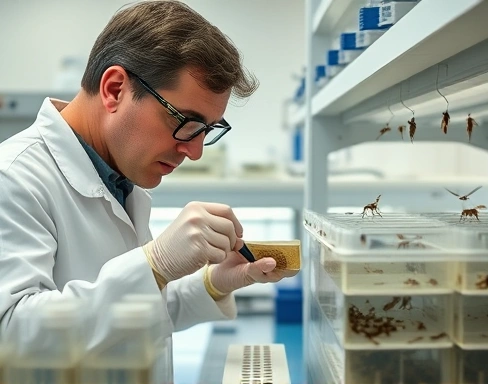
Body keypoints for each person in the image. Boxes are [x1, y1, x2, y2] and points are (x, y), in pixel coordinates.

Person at [0, 0, 291, 379]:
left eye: (208, 130)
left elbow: (128, 318)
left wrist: (212, 283)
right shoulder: (14, 177)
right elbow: (12, 338)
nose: (196, 151)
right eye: (187, 121)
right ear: (115, 89)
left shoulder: (118, 177)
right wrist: (153, 265)